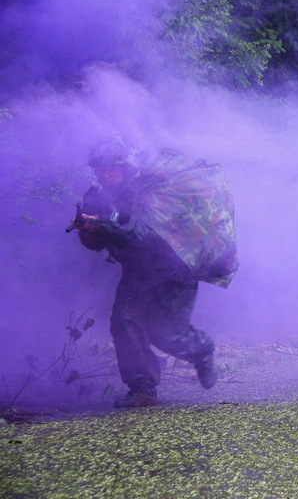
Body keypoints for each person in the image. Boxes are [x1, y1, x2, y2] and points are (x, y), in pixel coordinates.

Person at [72, 139, 222, 408]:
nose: (104, 174)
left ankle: (202, 351)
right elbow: (94, 244)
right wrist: (86, 229)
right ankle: (142, 389)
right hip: (137, 270)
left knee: (165, 333)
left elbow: (147, 237)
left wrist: (102, 227)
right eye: (99, 169)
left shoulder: (148, 191)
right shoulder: (95, 196)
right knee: (124, 322)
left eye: (110, 168)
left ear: (125, 167)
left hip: (175, 267)